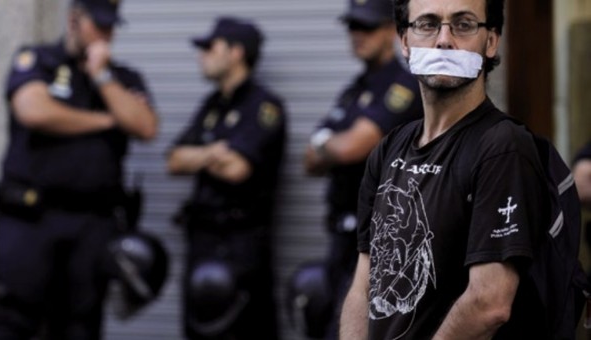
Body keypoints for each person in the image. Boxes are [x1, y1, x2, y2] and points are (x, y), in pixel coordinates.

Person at [340, 0, 554, 338]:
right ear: (405, 42)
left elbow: (489, 303)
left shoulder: (503, 147)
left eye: (464, 24)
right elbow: (362, 289)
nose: (443, 40)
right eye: (426, 24)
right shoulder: (387, 150)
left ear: (491, 41)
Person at [0, 0, 158, 338]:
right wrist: (108, 120)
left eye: (111, 28)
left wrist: (103, 77)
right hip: (32, 220)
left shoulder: (123, 78)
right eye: (99, 26)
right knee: (14, 322)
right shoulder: (37, 61)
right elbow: (34, 111)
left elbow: (145, 126)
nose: (105, 36)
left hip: (92, 225)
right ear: (74, 20)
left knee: (81, 326)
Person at [303, 0, 422, 337]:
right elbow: (309, 161)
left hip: (383, 240)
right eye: (353, 27)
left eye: (367, 27)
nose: (358, 35)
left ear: (392, 31)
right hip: (342, 235)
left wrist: (327, 143)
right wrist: (332, 147)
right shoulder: (352, 92)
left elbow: (354, 146)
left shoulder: (403, 85)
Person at [167, 17, 286, 340]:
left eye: (210, 47)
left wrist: (199, 155)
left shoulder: (263, 107)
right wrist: (213, 153)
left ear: (236, 53)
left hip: (241, 246)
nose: (201, 55)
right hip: (202, 239)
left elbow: (237, 169)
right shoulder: (211, 107)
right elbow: (174, 160)